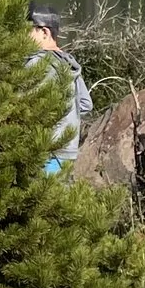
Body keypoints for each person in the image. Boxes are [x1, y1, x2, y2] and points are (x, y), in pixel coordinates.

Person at [29, 10, 95, 176]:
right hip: (68, 151)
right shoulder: (67, 62)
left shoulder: (37, 63)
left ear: (44, 32)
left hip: (45, 151)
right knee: (59, 198)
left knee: (41, 198)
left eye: (26, 30)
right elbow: (86, 104)